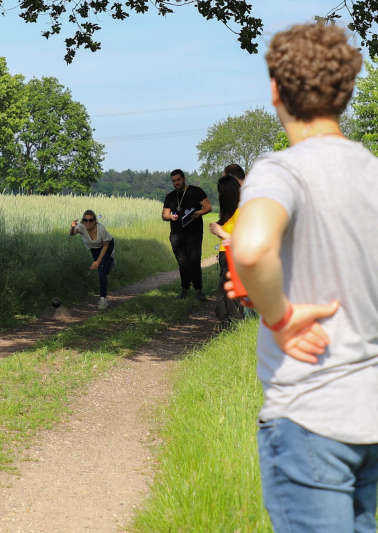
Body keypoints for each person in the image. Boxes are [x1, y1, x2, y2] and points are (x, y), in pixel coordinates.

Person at [227, 23, 378, 533]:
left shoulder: (279, 170)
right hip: (369, 414)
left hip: (309, 414)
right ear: (346, 90)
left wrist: (282, 315)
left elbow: (250, 248)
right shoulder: (371, 172)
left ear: (275, 90)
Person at [161, 169, 212, 300]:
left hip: (194, 232)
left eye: (178, 180)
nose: (176, 183)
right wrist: (170, 217)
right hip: (177, 234)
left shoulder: (196, 191)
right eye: (173, 181)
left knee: (194, 261)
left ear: (183, 178)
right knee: (182, 263)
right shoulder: (171, 196)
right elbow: (164, 214)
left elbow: (208, 207)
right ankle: (185, 290)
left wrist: (198, 214)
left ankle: (198, 290)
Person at [208, 175, 244, 326]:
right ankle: (227, 326)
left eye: (221, 192)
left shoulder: (240, 211)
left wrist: (221, 232)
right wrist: (218, 231)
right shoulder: (230, 212)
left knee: (232, 296)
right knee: (221, 304)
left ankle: (237, 329)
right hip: (225, 255)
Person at [70, 210, 114, 309]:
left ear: (95, 221)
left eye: (91, 220)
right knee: (103, 270)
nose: (88, 222)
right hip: (94, 249)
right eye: (85, 220)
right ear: (83, 221)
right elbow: (72, 234)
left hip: (106, 246)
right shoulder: (81, 227)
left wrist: (98, 262)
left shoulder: (101, 228)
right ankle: (110, 260)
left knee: (101, 269)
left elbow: (105, 246)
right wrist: (72, 227)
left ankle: (103, 300)